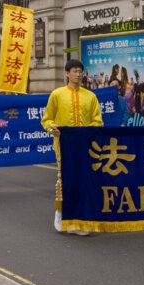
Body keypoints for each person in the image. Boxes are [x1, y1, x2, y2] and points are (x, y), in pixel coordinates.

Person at [41, 59, 104, 235]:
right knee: (65, 180)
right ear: (67, 73)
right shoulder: (57, 94)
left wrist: (90, 130)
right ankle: (61, 214)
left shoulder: (90, 96)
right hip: (64, 146)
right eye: (75, 71)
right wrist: (52, 128)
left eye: (80, 71)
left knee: (83, 180)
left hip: (85, 146)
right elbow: (47, 119)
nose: (78, 74)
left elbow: (97, 120)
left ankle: (80, 221)